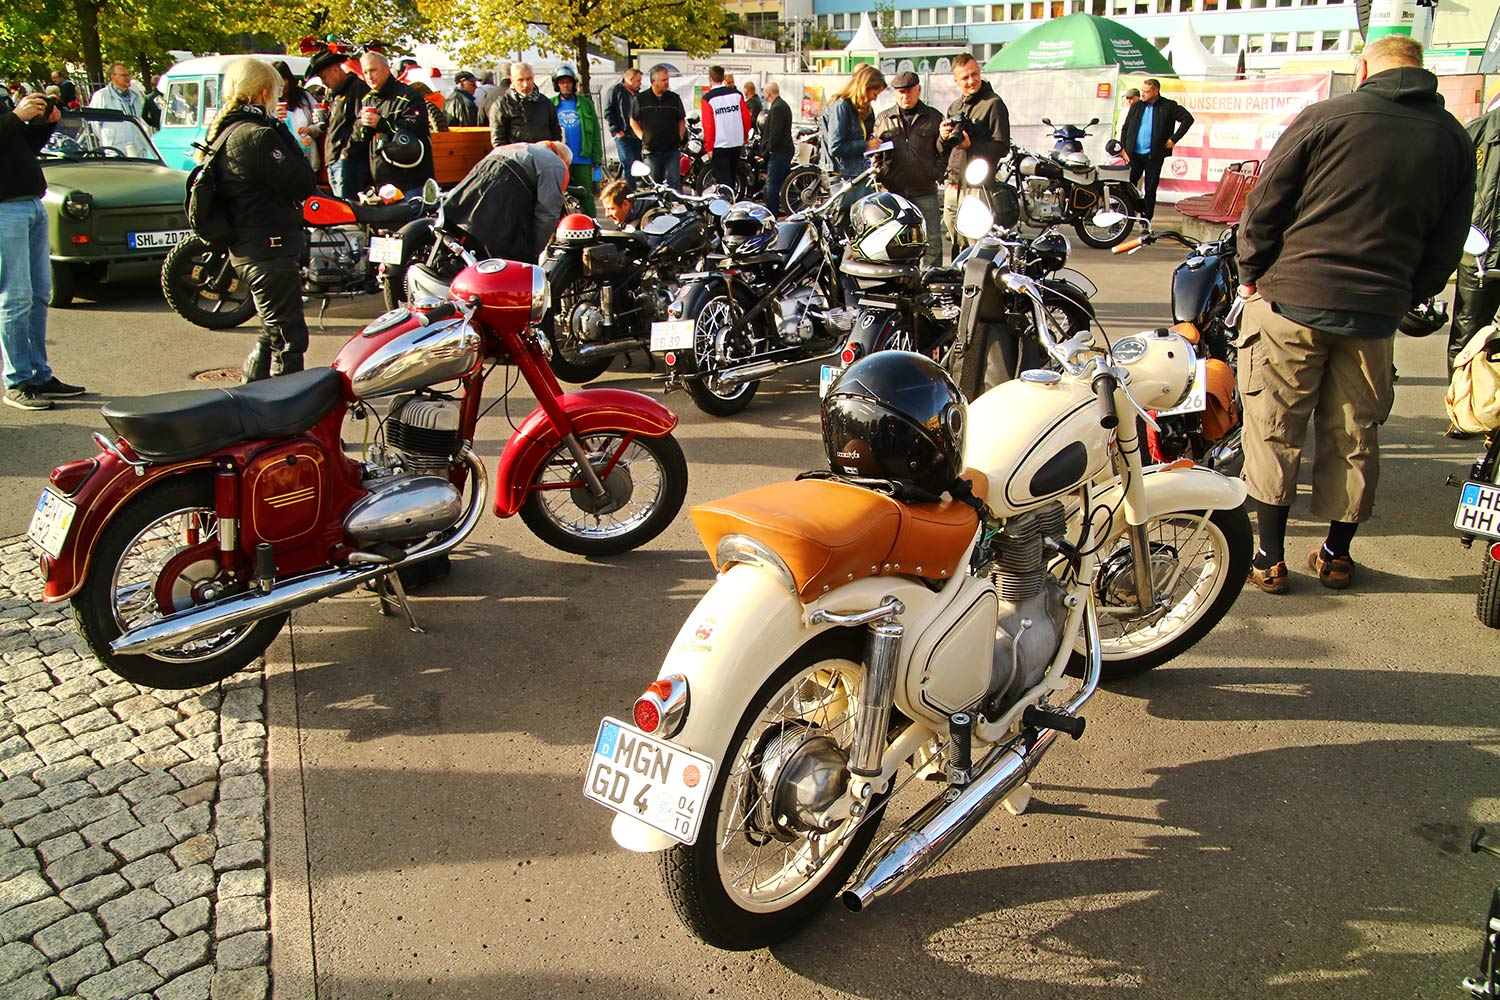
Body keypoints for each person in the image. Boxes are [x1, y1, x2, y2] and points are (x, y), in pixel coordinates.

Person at [1236, 34, 1474, 594]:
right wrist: (1405, 292)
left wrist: (1251, 270)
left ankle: (1269, 556)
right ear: (1422, 71)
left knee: (1273, 428)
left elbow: (1266, 201)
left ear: (1365, 67)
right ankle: (1336, 555)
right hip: (1374, 312)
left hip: (1291, 298)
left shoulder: (1327, 115)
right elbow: (1449, 238)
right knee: (1355, 432)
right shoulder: (1453, 139)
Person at [206, 58, 320, 381]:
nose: (279, 100)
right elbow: (302, 181)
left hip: (252, 247)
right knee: (289, 340)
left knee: (270, 335)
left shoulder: (229, 129)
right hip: (267, 248)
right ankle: (284, 419)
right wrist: (281, 128)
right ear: (262, 92)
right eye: (276, 92)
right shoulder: (257, 136)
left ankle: (249, 396)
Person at [1, 91, 84, 410]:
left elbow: (19, 147)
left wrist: (45, 124)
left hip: (31, 203)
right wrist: (16, 117)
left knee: (38, 294)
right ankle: (17, 380)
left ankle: (38, 375)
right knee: (15, 296)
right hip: (5, 209)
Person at [1446, 103, 1500, 402]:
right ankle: (1461, 403)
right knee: (1468, 330)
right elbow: (1446, 188)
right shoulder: (1476, 133)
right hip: (1479, 251)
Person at [441, 141, 571, 262]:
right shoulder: (555, 163)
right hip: (502, 198)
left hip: (468, 197)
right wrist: (533, 251)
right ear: (562, 159)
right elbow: (547, 213)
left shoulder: (517, 147)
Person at [941, 54, 1013, 248]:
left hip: (978, 187)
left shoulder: (993, 104)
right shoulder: (955, 107)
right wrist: (943, 136)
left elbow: (1002, 146)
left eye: (975, 74)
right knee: (956, 241)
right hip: (954, 185)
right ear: (956, 80)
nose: (971, 81)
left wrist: (971, 146)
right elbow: (945, 149)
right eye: (964, 78)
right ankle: (960, 278)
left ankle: (975, 279)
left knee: (976, 244)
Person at [874, 72, 944, 268]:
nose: (906, 96)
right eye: (901, 92)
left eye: (910, 91)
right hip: (893, 193)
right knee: (893, 241)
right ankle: (898, 285)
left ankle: (930, 287)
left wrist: (936, 172)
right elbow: (874, 153)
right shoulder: (883, 119)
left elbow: (944, 150)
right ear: (895, 93)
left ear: (919, 90)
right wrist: (881, 174)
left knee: (931, 243)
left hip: (925, 191)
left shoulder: (933, 117)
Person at [355, 51, 435, 194]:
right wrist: (362, 126)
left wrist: (382, 124)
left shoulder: (409, 95)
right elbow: (359, 138)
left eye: (373, 70)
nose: (369, 76)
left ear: (387, 69)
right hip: (380, 183)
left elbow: (417, 128)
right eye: (365, 72)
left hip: (411, 182)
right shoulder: (367, 99)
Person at [1118, 78, 1195, 221]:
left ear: (1155, 91)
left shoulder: (1168, 106)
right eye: (1142, 91)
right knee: (1128, 187)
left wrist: (1174, 139)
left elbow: (1188, 119)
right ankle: (1124, 219)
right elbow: (1126, 128)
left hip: (1153, 155)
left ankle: (1146, 220)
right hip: (1133, 154)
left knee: (1150, 189)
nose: (1143, 94)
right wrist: (1123, 149)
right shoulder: (1137, 106)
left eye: (1146, 92)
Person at [305, 47, 370, 198]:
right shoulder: (335, 95)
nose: (323, 82)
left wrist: (347, 153)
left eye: (323, 77)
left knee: (347, 208)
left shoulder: (357, 89)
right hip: (335, 160)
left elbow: (363, 123)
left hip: (349, 162)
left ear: (335, 70)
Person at [820, 64, 885, 189]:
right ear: (864, 88)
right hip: (843, 174)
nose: (875, 99)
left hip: (854, 171)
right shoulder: (841, 106)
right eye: (874, 94)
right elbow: (835, 147)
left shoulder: (860, 107)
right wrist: (865, 145)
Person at [551, 64, 601, 215]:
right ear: (556, 84)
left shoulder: (586, 104)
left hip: (582, 158)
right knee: (557, 196)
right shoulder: (550, 104)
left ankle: (592, 224)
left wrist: (597, 157)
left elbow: (596, 133)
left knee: (585, 195)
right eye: (562, 82)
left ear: (573, 83)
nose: (565, 85)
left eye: (568, 81)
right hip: (558, 159)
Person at [632, 65, 686, 191]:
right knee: (655, 185)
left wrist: (680, 135)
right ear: (653, 81)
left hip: (671, 149)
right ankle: (656, 209)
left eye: (667, 79)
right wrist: (643, 137)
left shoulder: (674, 98)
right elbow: (633, 120)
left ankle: (676, 208)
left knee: (674, 184)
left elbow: (681, 119)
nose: (667, 82)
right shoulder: (641, 99)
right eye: (663, 80)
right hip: (652, 150)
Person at [700, 65, 751, 190]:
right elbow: (746, 118)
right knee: (732, 177)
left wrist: (709, 147)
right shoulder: (736, 95)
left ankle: (726, 205)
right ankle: (732, 201)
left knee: (723, 181)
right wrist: (744, 136)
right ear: (723, 78)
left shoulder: (708, 99)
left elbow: (709, 125)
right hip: (736, 142)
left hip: (719, 144)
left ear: (710, 79)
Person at [491, 62, 560, 147]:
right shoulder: (501, 105)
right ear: (512, 80)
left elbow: (556, 134)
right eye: (520, 80)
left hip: (543, 156)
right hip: (516, 157)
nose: (525, 84)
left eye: (528, 79)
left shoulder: (546, 103)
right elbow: (498, 142)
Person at [272, 60, 318, 169]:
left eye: (282, 80)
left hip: (307, 156)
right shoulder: (268, 100)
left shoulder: (304, 97)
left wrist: (310, 130)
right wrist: (273, 117)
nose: (280, 86)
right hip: (281, 160)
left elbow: (319, 122)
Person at [604, 68, 643, 187]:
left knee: (636, 163)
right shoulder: (615, 91)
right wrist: (616, 130)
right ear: (630, 80)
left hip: (636, 134)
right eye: (638, 80)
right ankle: (629, 192)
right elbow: (608, 112)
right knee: (628, 163)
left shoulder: (638, 94)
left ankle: (630, 188)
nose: (640, 83)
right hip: (623, 134)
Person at [760, 81, 793, 216]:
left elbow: (776, 131)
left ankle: (772, 213)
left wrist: (770, 148)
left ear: (768, 93)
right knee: (787, 183)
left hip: (780, 151)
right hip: (785, 149)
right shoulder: (782, 105)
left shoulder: (777, 108)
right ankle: (794, 206)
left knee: (772, 184)